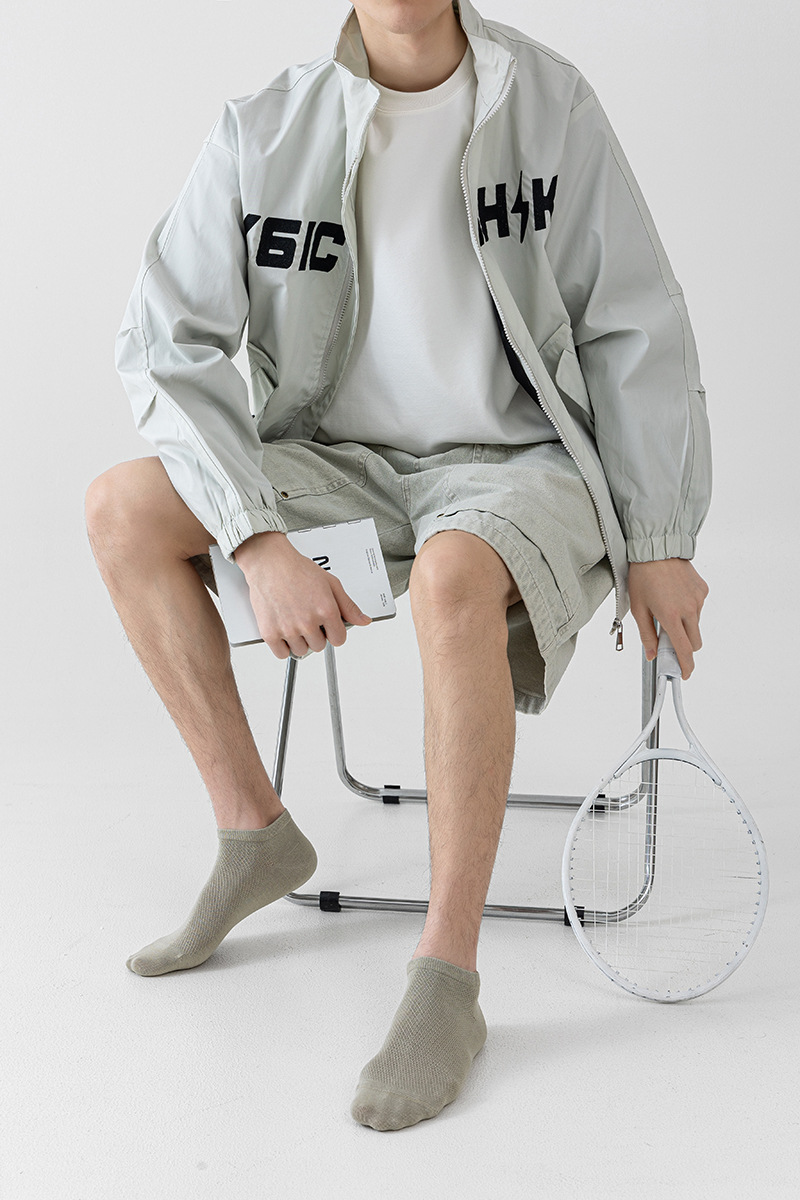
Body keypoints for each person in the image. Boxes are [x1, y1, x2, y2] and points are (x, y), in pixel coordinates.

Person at [84, 0, 711, 1131]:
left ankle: (446, 977)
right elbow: (165, 341)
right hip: (343, 466)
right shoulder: (266, 128)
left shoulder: (548, 103)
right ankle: (254, 832)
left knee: (450, 576)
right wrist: (255, 536)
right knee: (122, 509)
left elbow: (633, 323)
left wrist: (660, 538)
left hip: (520, 465)